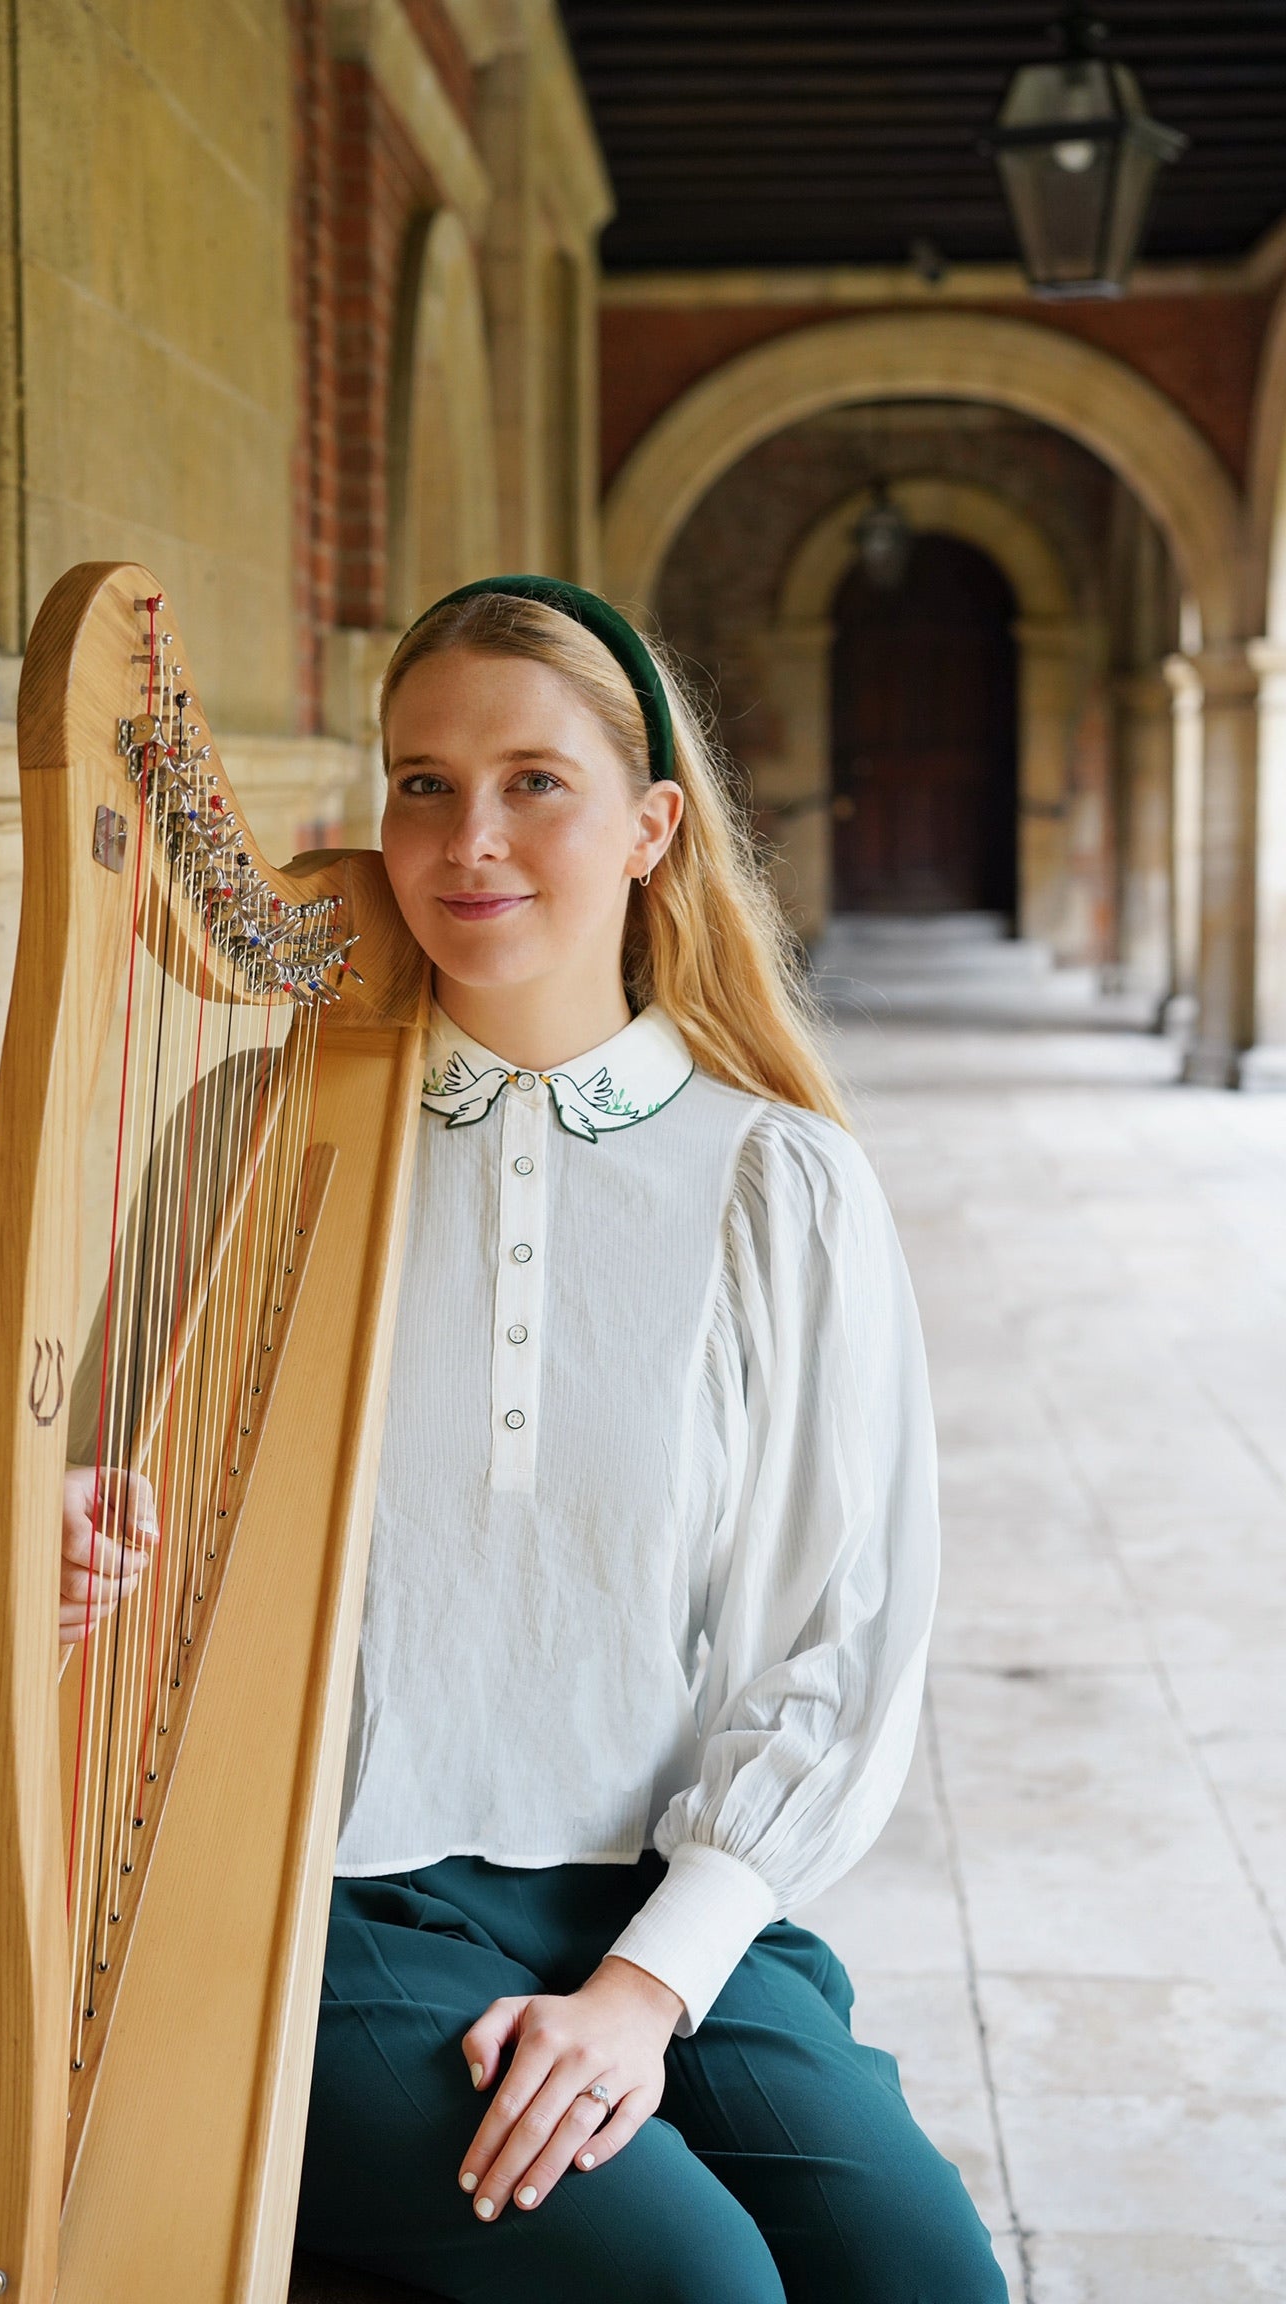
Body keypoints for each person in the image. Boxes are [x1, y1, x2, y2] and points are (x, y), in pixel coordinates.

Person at [60, 577, 1007, 2303]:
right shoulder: (257, 1137)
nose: (466, 837)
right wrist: (75, 1550)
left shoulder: (771, 1185)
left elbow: (839, 1638)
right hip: (321, 1905)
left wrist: (649, 1988)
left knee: (916, 2269)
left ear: (652, 827)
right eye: (421, 781)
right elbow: (103, 1520)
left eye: (532, 783)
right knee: (694, 2284)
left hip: (651, 1892)